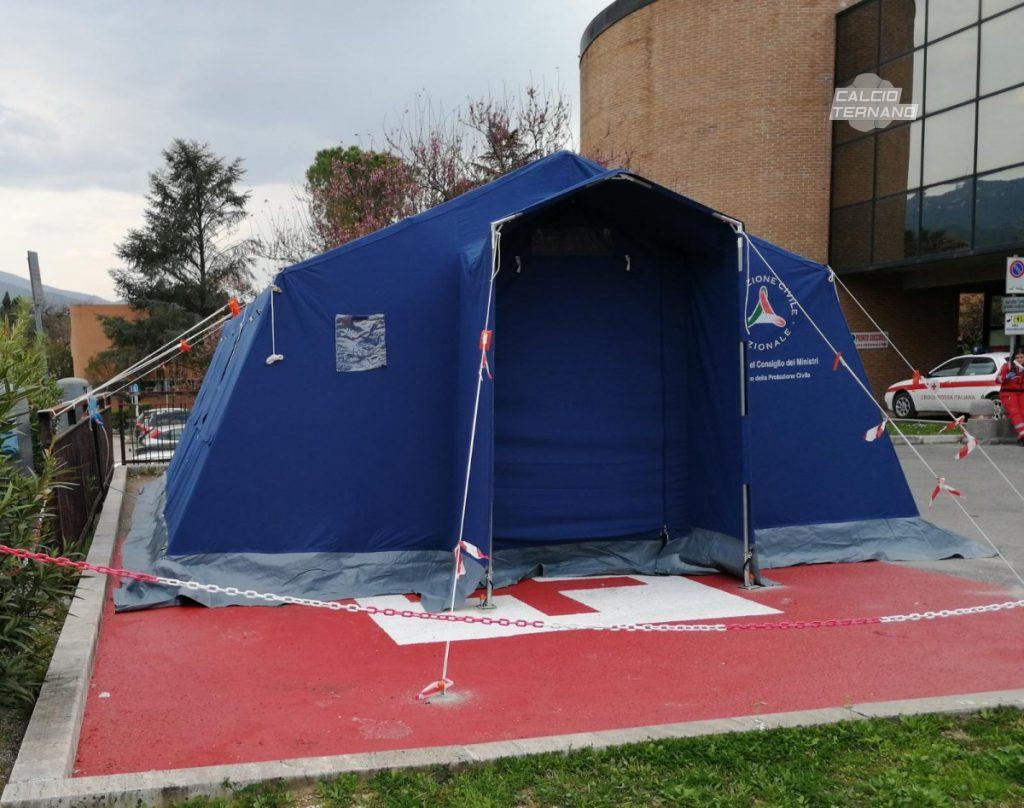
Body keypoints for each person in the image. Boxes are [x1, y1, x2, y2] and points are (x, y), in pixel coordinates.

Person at [997, 348, 1024, 445]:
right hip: (1008, 393)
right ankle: (1022, 434)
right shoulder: (1007, 366)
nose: (1020, 359)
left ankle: (1021, 437)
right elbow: (997, 379)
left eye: (1021, 357)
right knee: (1015, 412)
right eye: (1017, 357)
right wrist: (1006, 377)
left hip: (1021, 393)